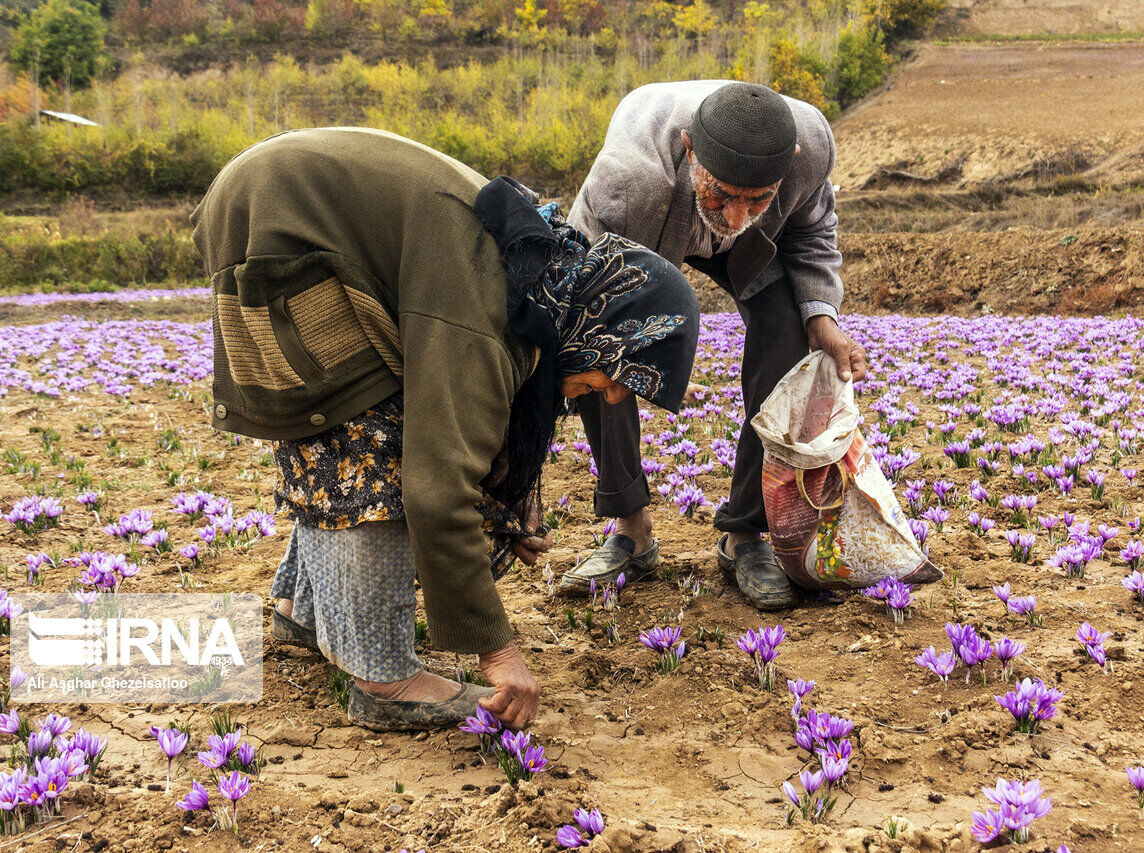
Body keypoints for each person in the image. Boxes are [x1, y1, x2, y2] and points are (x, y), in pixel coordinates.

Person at [191, 127, 700, 731]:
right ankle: (384, 678)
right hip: (278, 221)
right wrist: (498, 651)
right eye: (618, 376)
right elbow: (438, 487)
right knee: (370, 433)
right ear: (606, 326)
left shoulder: (538, 279)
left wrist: (514, 498)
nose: (612, 396)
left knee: (386, 419)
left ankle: (302, 608)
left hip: (285, 198)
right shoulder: (485, 309)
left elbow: (483, 420)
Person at [558, 81, 868, 610]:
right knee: (595, 345)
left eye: (758, 199)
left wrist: (821, 314)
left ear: (788, 162)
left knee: (789, 335)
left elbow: (812, 233)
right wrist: (632, 357)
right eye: (722, 194)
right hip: (654, 225)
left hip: (752, 252)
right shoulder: (630, 180)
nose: (735, 217)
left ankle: (744, 534)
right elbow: (579, 279)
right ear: (689, 148)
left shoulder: (809, 146)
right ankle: (631, 526)